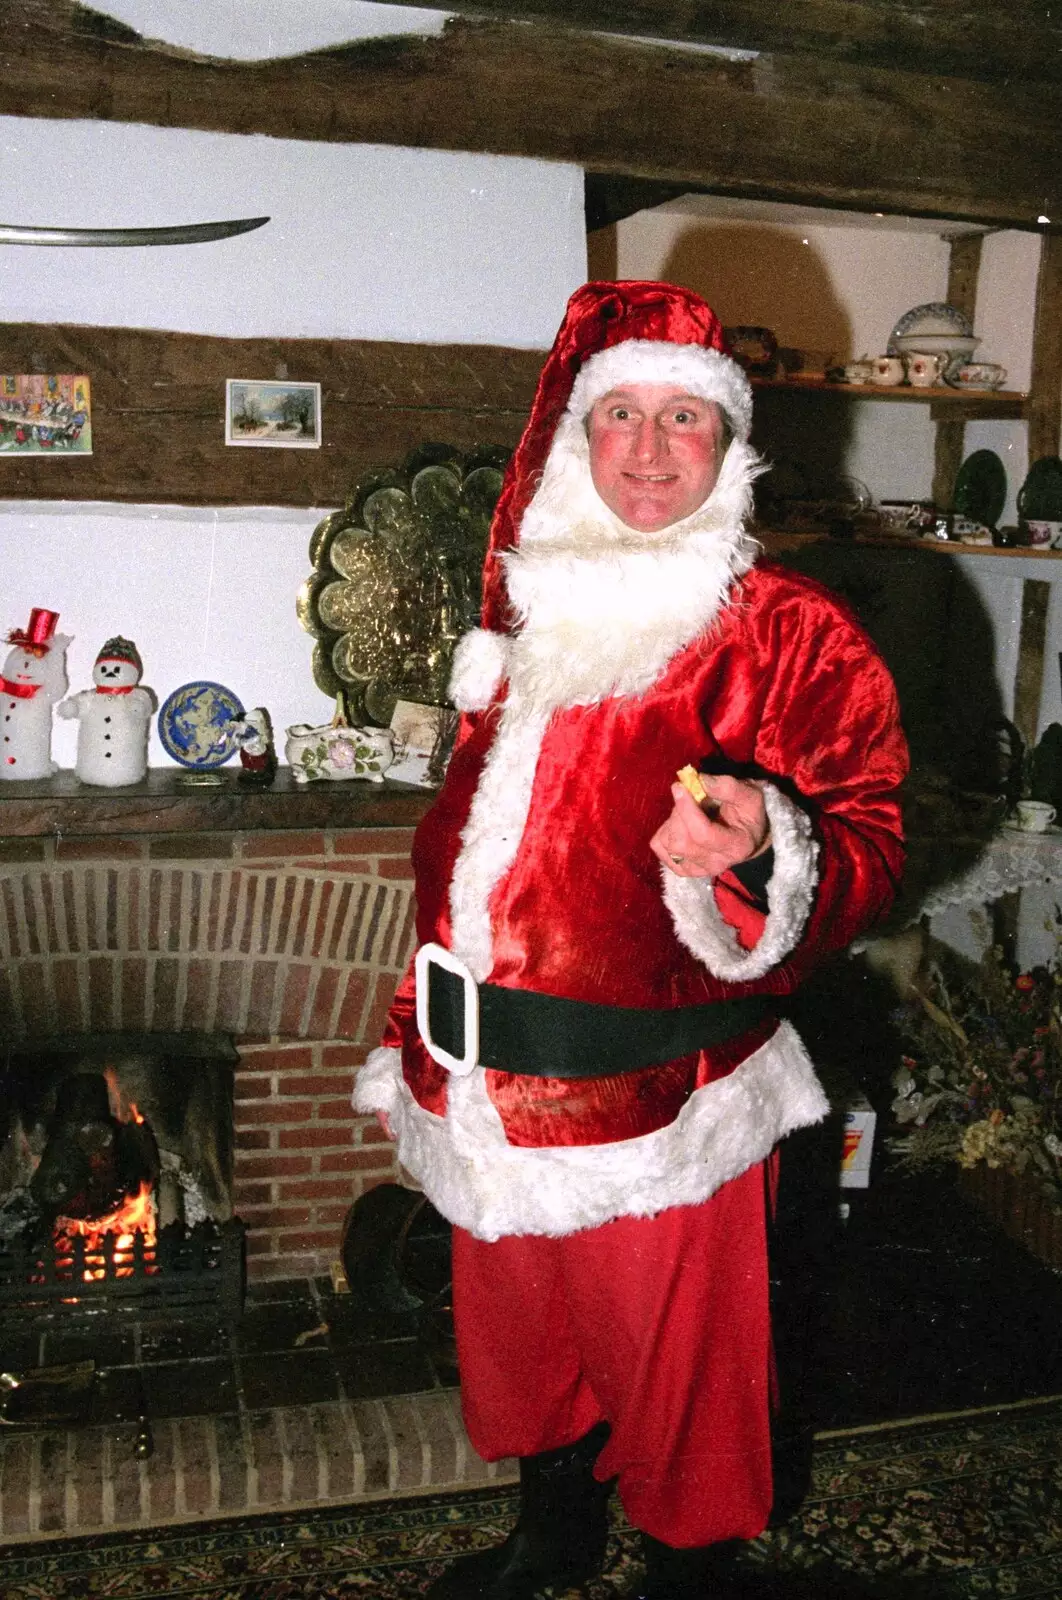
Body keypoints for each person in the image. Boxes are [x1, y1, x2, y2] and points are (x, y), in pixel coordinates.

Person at [353, 280, 908, 1599]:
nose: (650, 450)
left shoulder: (784, 631)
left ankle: (688, 1571)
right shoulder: (521, 625)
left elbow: (873, 837)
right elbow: (485, 863)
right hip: (482, 1082)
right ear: (572, 440)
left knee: (680, 1375)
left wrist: (767, 840)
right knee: (524, 1346)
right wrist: (414, 1034)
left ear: (726, 451)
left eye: (683, 420)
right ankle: (551, 1535)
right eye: (619, 415)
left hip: (659, 1098)